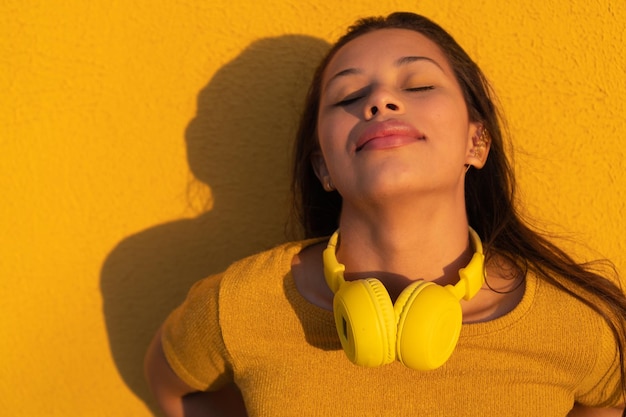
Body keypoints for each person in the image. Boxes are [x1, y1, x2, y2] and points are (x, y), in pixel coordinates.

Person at [144, 12, 626, 416]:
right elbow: (172, 385)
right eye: (349, 97)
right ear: (323, 167)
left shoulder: (580, 324)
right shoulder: (237, 306)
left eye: (418, 84)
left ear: (476, 141)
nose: (380, 102)